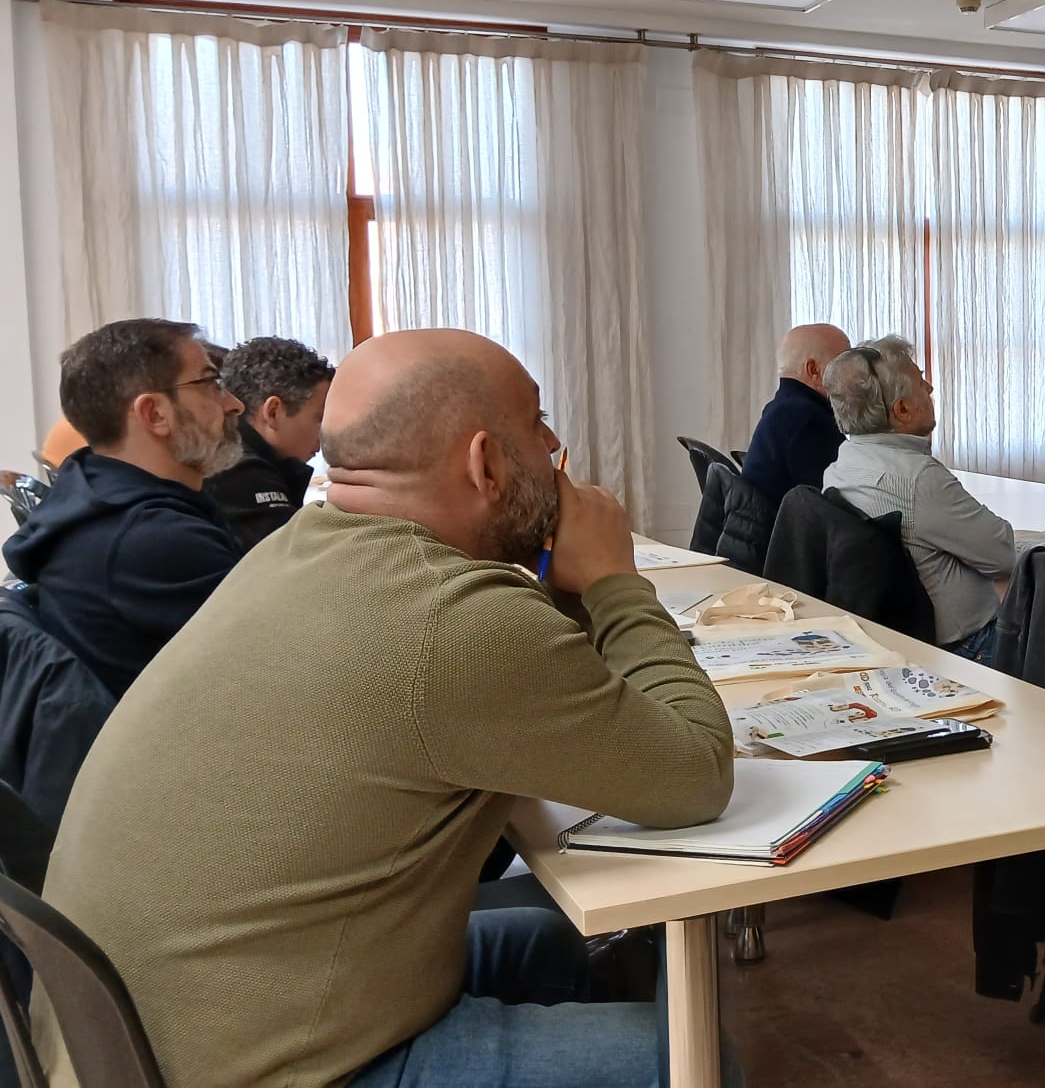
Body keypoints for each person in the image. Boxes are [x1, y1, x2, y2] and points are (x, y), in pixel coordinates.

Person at [29, 329, 740, 1088]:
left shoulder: (296, 547)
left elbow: (529, 683)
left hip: (140, 1032)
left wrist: (557, 579)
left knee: (547, 943)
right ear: (485, 464)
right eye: (537, 424)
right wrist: (612, 581)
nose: (554, 446)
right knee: (692, 1062)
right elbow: (694, 775)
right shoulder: (453, 621)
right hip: (254, 1067)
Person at [1, 319, 246, 698]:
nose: (234, 404)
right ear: (155, 414)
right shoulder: (155, 539)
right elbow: (283, 666)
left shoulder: (91, 492)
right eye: (211, 383)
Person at [821, 336, 1013, 661]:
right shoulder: (919, 478)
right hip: (969, 648)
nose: (930, 388)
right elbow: (1003, 555)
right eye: (921, 381)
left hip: (895, 637)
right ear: (903, 410)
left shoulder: (842, 463)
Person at [205, 336, 335, 548]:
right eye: (320, 418)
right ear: (273, 412)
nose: (326, 433)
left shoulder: (226, 452)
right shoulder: (242, 470)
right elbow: (295, 557)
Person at [741, 323, 851, 503]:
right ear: (813, 370)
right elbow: (844, 497)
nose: (854, 374)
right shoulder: (807, 420)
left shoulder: (784, 408)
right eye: (845, 364)